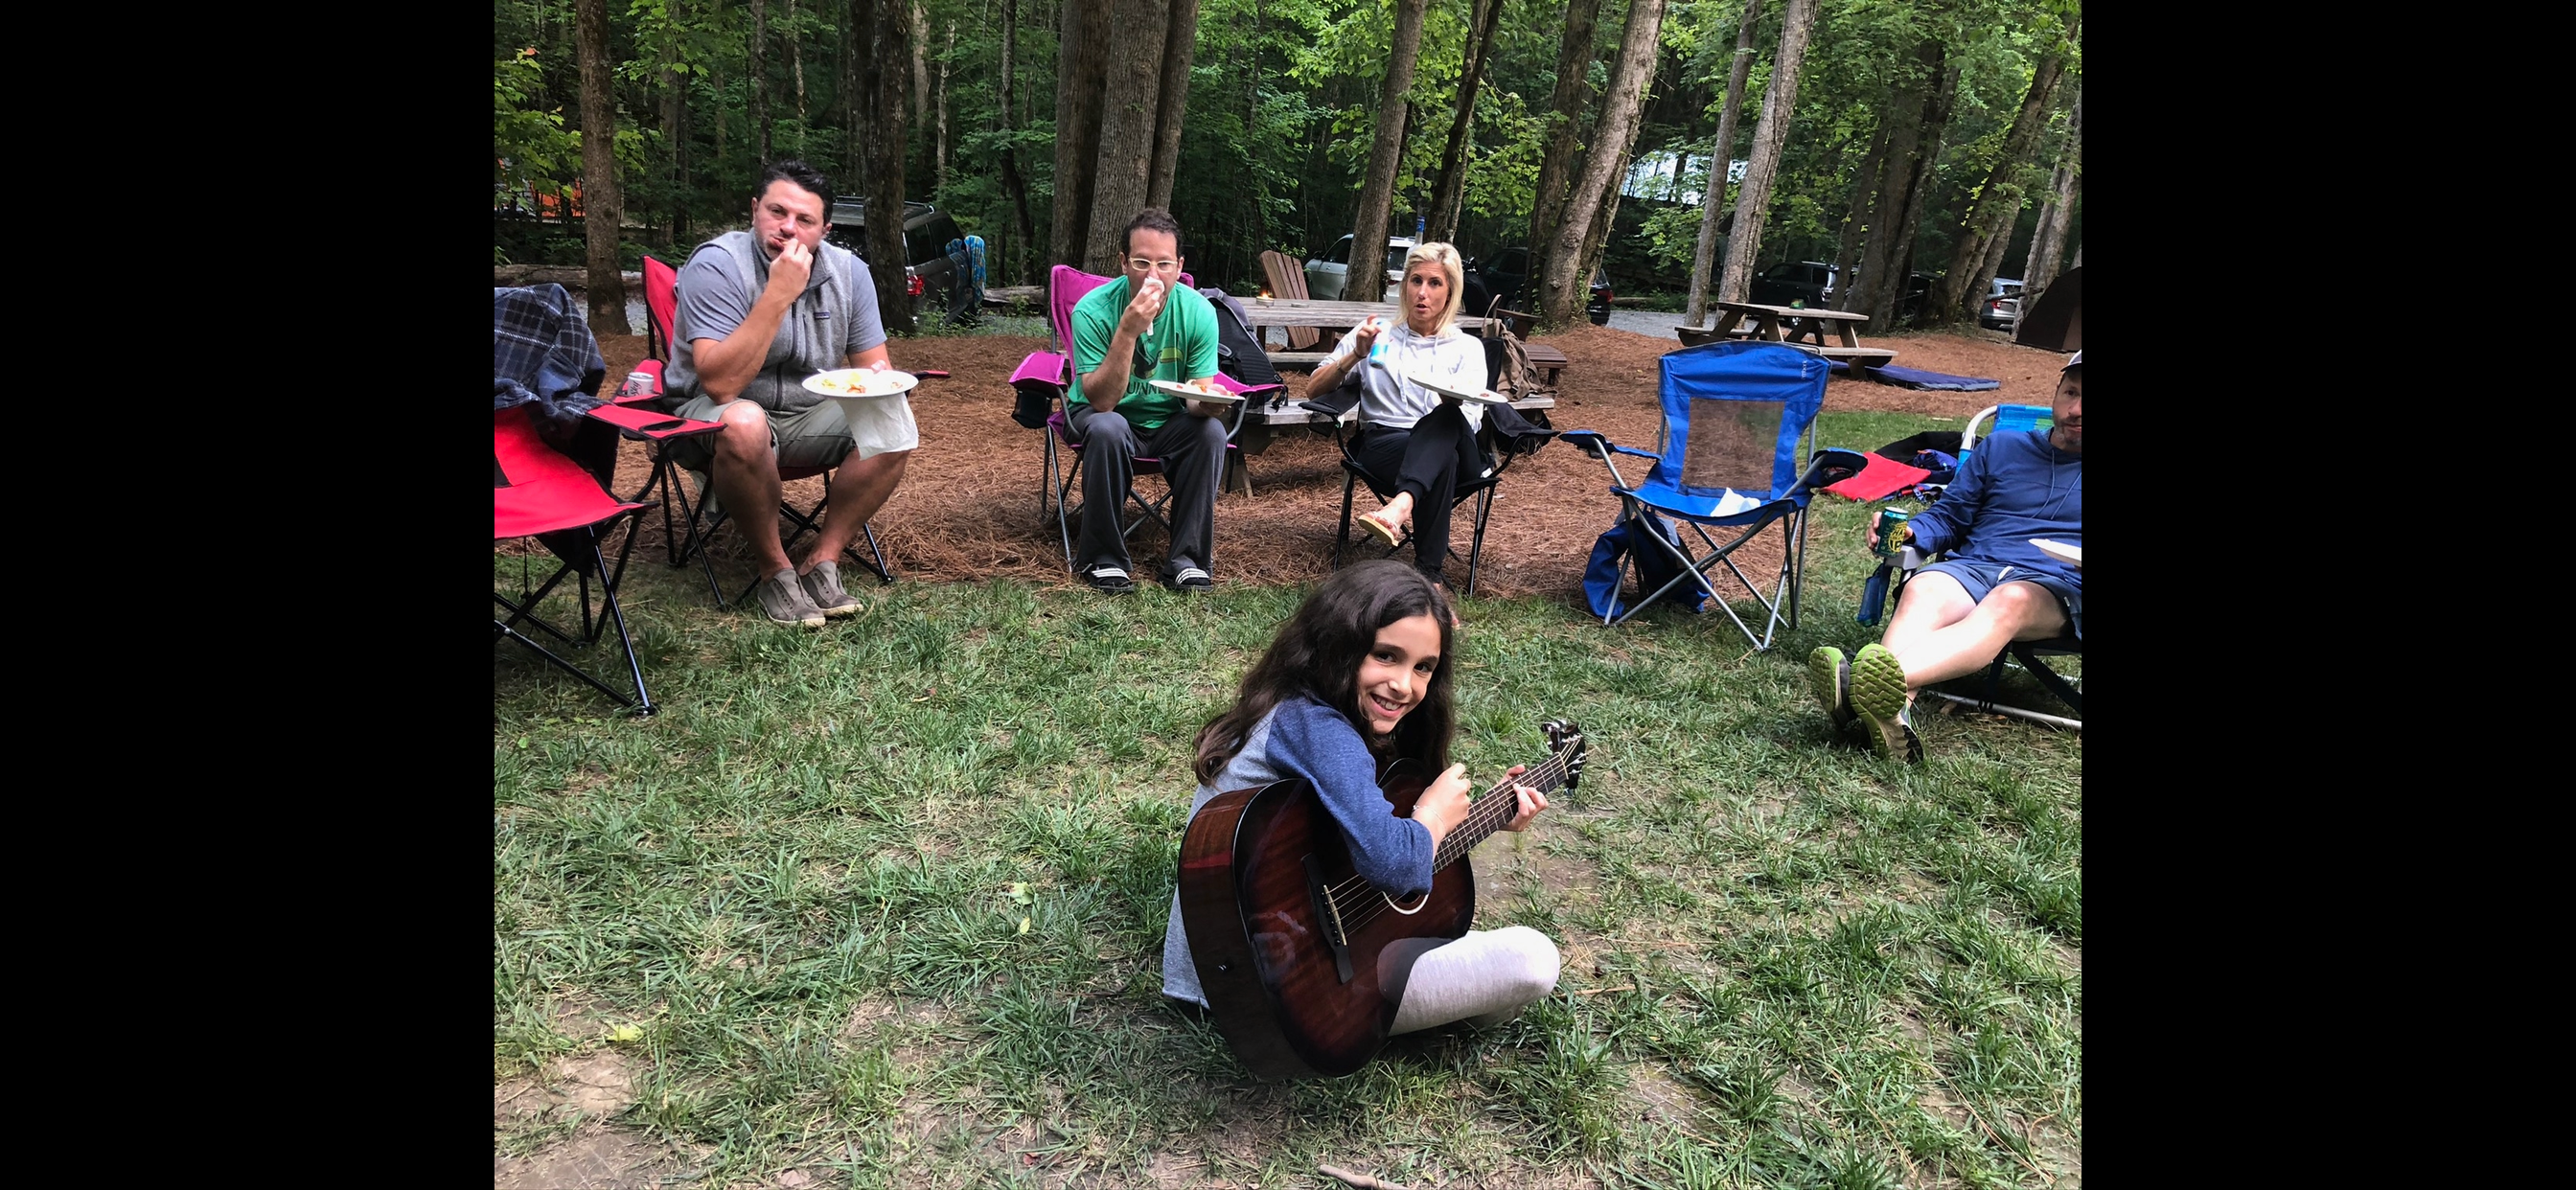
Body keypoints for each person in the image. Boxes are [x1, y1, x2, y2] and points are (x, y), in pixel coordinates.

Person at [1162, 561, 1561, 1043]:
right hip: (1291, 1000)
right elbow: (1395, 862)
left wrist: (1491, 815)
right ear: (1338, 643)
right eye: (1386, 656)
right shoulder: (1323, 731)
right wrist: (1432, 816)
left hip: (1220, 975)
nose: (1404, 685)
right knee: (1533, 956)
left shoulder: (1291, 710)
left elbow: (1368, 833)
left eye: (1423, 668)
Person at [659, 160, 916, 628]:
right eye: (777, 212)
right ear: (755, 209)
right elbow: (720, 385)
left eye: (805, 220)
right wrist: (778, 294)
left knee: (891, 420)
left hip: (806, 412)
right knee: (743, 422)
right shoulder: (718, 264)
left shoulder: (849, 272)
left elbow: (873, 367)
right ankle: (775, 569)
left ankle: (823, 560)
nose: (787, 228)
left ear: (825, 229)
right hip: (709, 413)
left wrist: (882, 381)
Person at [1810, 351, 2083, 761]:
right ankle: (1892, 709)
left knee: (2011, 600)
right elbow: (1949, 516)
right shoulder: (2003, 447)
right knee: (1924, 586)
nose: (2075, 410)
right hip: (1977, 567)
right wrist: (1911, 531)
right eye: (2071, 393)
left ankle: (1858, 689)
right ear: (2056, 394)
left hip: (2058, 584)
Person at [1303, 242, 1496, 625]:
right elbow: (1313, 389)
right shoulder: (1375, 335)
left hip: (1455, 441)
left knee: (1446, 420)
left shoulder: (1467, 348)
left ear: (1450, 291)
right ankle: (1429, 578)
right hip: (1385, 445)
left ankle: (1400, 506)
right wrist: (1353, 356)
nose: (1423, 293)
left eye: (1435, 283)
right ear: (1404, 285)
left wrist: (1448, 398)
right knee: (1444, 460)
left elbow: (1470, 419)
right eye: (1416, 281)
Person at [1066, 208, 1231, 595]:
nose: (1152, 276)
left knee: (1210, 432)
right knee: (1108, 428)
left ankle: (1187, 561)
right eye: (1141, 262)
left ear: (1180, 266)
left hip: (1168, 420)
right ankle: (1103, 558)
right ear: (1123, 262)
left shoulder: (1199, 312)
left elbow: (1195, 398)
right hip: (1103, 414)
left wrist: (1209, 403)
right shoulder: (1093, 310)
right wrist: (1127, 330)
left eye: (1164, 264)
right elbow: (1103, 400)